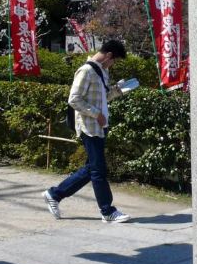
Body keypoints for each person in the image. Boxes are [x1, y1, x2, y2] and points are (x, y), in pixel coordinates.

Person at [42, 39, 131, 223]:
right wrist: (96, 113)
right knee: (98, 170)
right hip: (89, 127)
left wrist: (118, 90)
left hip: (99, 126)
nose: (113, 64)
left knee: (91, 169)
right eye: (115, 60)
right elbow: (74, 99)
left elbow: (103, 97)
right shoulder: (86, 71)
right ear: (108, 56)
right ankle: (107, 211)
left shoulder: (102, 72)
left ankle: (54, 194)